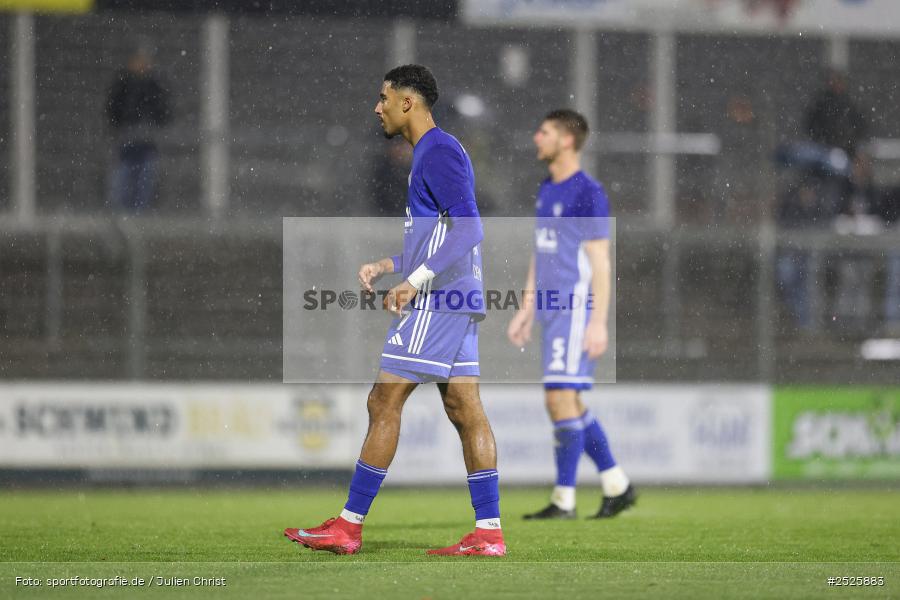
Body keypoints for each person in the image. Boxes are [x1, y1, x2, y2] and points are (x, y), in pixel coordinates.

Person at [284, 65, 504, 556]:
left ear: (409, 102)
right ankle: (489, 533)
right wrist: (392, 263)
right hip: (459, 296)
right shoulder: (436, 151)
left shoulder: (438, 151)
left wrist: (413, 282)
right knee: (465, 409)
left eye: (384, 97)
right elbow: (443, 239)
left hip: (440, 299)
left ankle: (348, 525)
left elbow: (471, 231)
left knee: (383, 402)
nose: (376, 106)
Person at [507, 109, 635, 520]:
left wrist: (598, 322)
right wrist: (527, 306)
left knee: (559, 397)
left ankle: (565, 499)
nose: (535, 138)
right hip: (552, 309)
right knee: (569, 399)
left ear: (566, 140)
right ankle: (617, 485)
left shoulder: (588, 192)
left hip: (576, 309)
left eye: (543, 132)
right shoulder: (548, 188)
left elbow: (600, 260)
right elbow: (541, 251)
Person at [105, 44, 171, 212]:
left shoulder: (154, 84)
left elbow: (163, 111)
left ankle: (139, 212)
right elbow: (113, 109)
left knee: (144, 177)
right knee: (123, 176)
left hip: (147, 140)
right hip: (126, 138)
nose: (142, 65)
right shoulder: (123, 83)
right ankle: (120, 212)